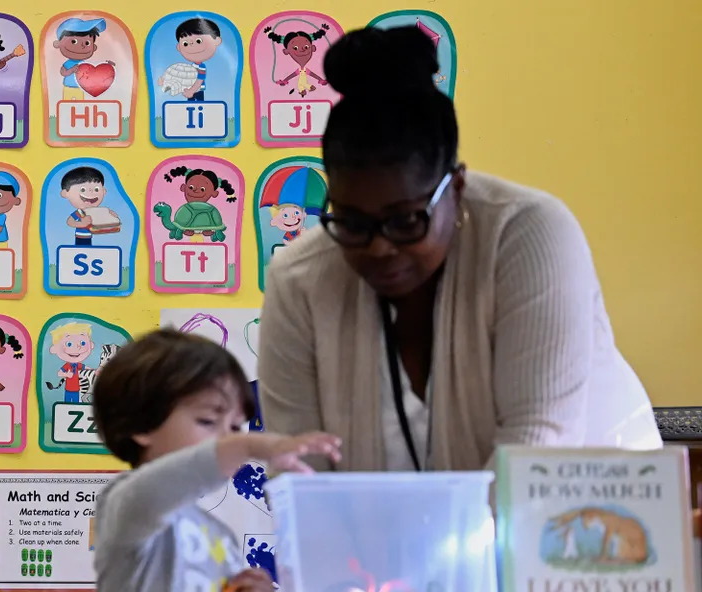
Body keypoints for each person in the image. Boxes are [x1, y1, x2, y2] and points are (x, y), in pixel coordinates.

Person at [258, 26, 660, 473]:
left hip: (580, 509)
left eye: (407, 220)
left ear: (456, 187)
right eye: (352, 223)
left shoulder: (530, 235)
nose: (379, 247)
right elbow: (296, 472)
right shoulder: (298, 278)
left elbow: (534, 449)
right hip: (407, 533)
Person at [90, 329, 341, 592]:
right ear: (141, 426)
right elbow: (162, 483)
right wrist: (252, 444)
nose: (227, 438)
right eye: (208, 421)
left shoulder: (218, 534)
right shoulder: (124, 504)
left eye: (236, 427)